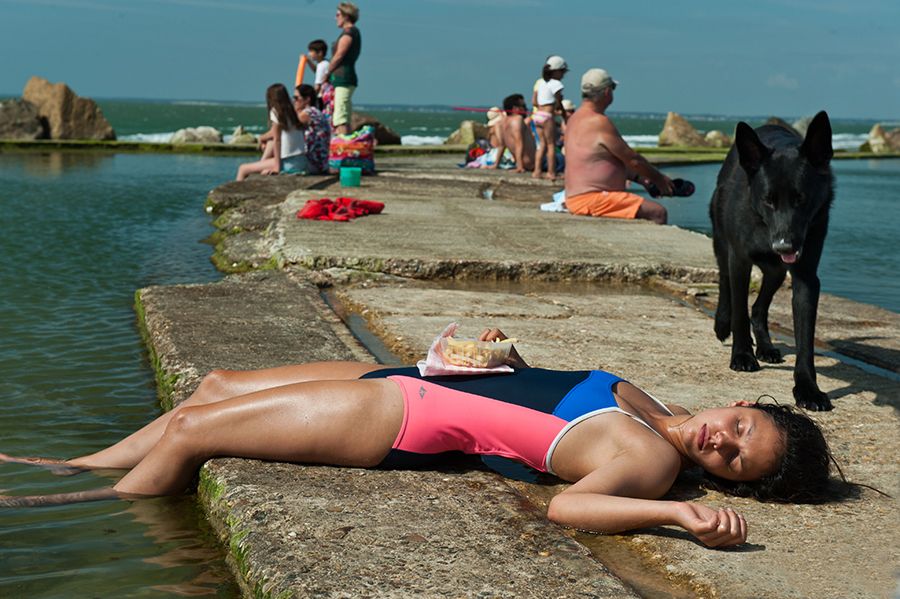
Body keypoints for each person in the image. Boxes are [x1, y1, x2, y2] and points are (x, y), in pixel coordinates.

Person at [0, 326, 835, 550]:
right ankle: (68, 461)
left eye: (732, 461)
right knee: (210, 390)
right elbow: (545, 402)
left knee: (191, 434)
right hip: (422, 375)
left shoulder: (651, 464)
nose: (720, 441)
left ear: (727, 483)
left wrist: (676, 519)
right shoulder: (646, 404)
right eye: (740, 426)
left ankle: (71, 510)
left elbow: (568, 510)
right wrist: (502, 354)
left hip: (403, 417)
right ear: (739, 401)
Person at [564, 68, 673, 224]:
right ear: (608, 92)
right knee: (658, 212)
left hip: (577, 198)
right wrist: (659, 179)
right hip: (591, 199)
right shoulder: (599, 122)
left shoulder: (575, 118)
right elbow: (633, 159)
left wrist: (642, 179)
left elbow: (600, 161)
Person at [236, 83, 308, 181]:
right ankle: (262, 163)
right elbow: (275, 135)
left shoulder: (276, 112)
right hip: (302, 161)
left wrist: (277, 167)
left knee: (243, 169)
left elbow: (277, 140)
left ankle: (237, 194)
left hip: (289, 163)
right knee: (268, 149)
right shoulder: (292, 111)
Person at [326, 2, 361, 135]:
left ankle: (343, 148)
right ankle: (346, 146)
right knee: (342, 114)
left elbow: (339, 55)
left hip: (344, 79)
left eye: (338, 14)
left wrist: (327, 71)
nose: (336, 17)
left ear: (346, 16)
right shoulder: (351, 32)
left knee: (340, 117)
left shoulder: (349, 33)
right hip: (342, 79)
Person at [532, 55, 568, 181]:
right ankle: (551, 172)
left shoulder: (541, 82)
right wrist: (562, 113)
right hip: (547, 116)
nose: (563, 75)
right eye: (563, 72)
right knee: (551, 144)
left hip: (537, 115)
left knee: (541, 144)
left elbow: (535, 102)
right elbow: (560, 102)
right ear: (557, 71)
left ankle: (537, 171)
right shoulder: (556, 84)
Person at [489, 94, 536, 173]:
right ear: (515, 108)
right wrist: (520, 167)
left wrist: (496, 164)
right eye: (523, 106)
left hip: (522, 163)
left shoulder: (500, 124)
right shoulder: (518, 119)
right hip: (532, 163)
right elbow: (519, 143)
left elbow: (501, 146)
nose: (526, 108)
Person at [293, 84, 331, 175]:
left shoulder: (308, 113)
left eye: (296, 98)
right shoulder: (316, 112)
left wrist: (263, 138)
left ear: (307, 99)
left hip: (313, 163)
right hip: (321, 163)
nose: (294, 101)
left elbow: (286, 129)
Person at [306, 39, 334, 115]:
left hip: (322, 97)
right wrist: (309, 62)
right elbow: (317, 71)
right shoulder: (325, 63)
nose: (309, 54)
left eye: (311, 51)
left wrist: (308, 99)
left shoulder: (321, 66)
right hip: (329, 96)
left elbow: (317, 86)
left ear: (320, 53)